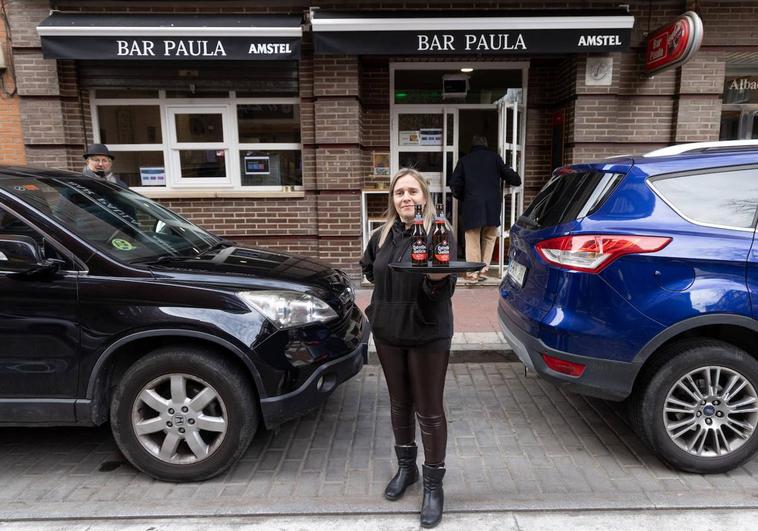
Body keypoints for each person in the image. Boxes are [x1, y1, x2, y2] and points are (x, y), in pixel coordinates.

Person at [360, 168, 456, 529]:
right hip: (388, 333)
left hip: (428, 334)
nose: (406, 198)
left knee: (429, 411)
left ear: (424, 196)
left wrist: (434, 280)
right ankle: (407, 471)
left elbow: (443, 290)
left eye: (412, 191)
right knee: (399, 404)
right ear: (393, 199)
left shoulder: (437, 234)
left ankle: (434, 485)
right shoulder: (381, 235)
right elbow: (371, 271)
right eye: (399, 192)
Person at [449, 135, 521, 283]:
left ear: (472, 146)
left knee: (472, 238)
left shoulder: (465, 160)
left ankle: (472, 274)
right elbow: (514, 179)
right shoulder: (495, 158)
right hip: (491, 205)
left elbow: (454, 183)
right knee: (489, 236)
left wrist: (463, 197)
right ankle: (483, 270)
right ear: (486, 145)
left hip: (472, 204)